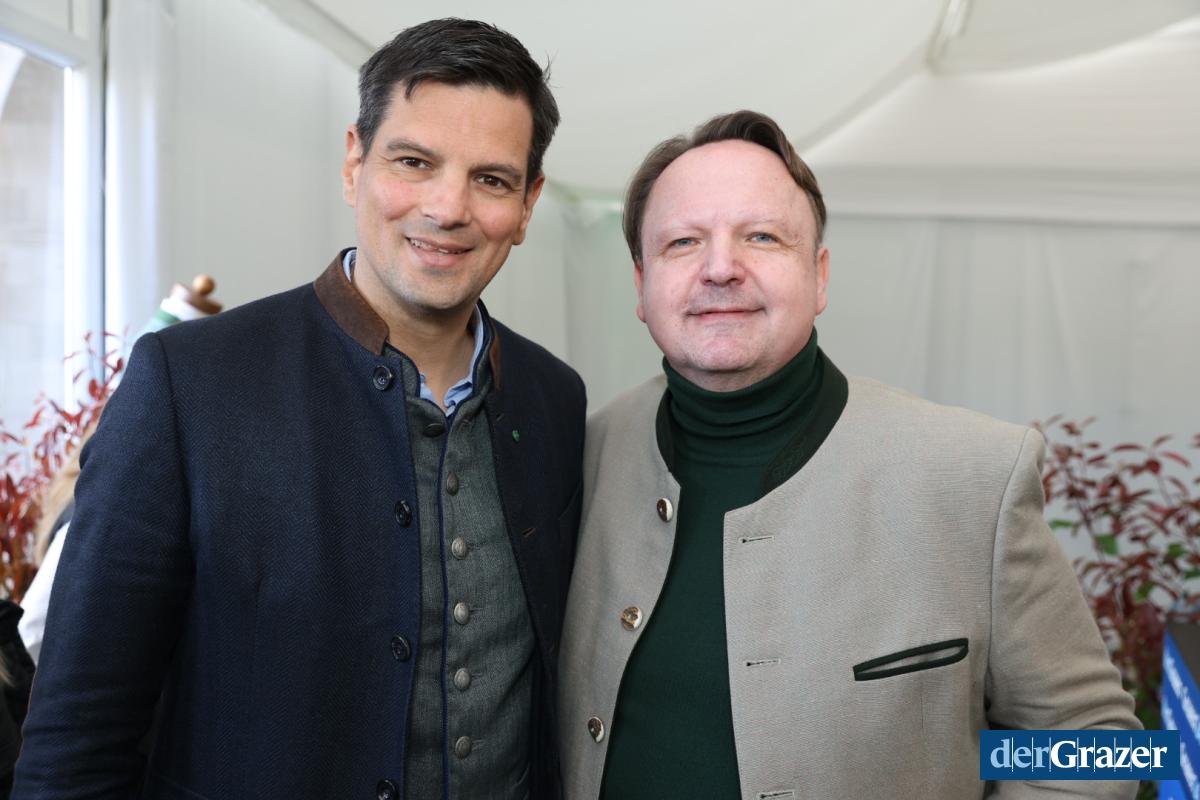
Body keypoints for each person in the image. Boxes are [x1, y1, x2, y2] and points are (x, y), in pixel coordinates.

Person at [15, 18, 585, 800]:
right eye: (413, 162)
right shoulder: (190, 383)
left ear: (527, 205)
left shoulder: (555, 399)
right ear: (354, 163)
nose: (448, 206)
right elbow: (77, 737)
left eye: (490, 179)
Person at [557, 110, 1139, 799]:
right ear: (641, 285)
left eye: (761, 236)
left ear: (820, 276)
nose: (720, 268)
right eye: (683, 242)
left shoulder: (975, 476)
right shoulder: (583, 455)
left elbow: (1101, 744)